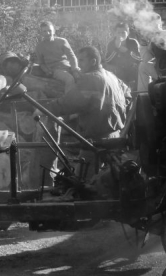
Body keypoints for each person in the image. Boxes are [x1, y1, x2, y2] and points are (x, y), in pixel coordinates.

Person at [35, 46, 131, 181]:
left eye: (82, 60)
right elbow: (128, 95)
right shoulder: (112, 76)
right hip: (114, 137)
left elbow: (69, 102)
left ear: (93, 61)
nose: (79, 65)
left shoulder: (90, 79)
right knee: (108, 181)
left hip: (95, 142)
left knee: (82, 183)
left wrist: (43, 109)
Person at [34, 21, 80, 93]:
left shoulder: (62, 41)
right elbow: (41, 63)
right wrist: (47, 71)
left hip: (68, 67)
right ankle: (68, 99)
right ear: (41, 33)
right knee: (69, 79)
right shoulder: (39, 47)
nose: (47, 33)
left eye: (49, 30)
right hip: (55, 70)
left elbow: (72, 56)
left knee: (84, 77)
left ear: (54, 31)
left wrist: (75, 69)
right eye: (44, 31)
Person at [104, 22, 141, 89]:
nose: (121, 35)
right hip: (117, 69)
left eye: (123, 32)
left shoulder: (133, 42)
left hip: (131, 68)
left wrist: (127, 52)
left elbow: (139, 58)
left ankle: (134, 91)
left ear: (128, 32)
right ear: (115, 33)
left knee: (136, 68)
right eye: (118, 33)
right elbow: (107, 60)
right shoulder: (111, 44)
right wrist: (116, 48)